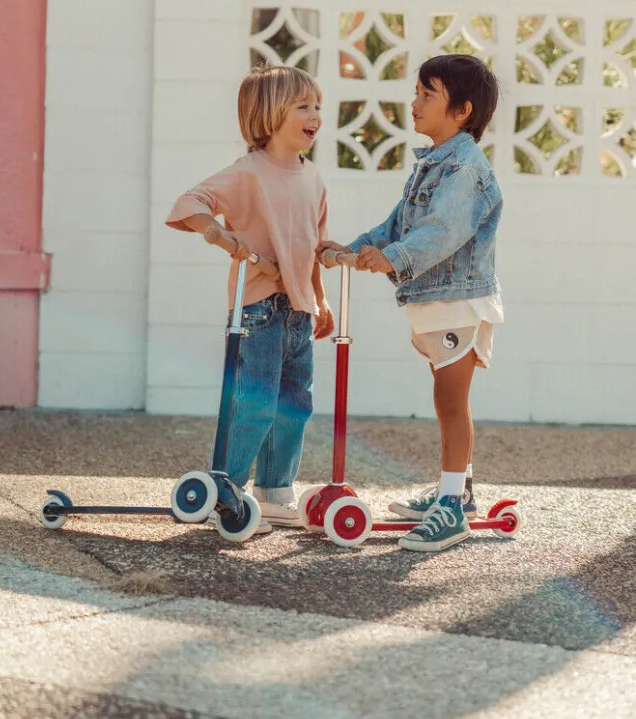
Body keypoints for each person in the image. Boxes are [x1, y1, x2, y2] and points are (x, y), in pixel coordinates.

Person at [318, 54, 502, 553]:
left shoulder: (464, 168)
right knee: (447, 399)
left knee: (450, 400)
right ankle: (456, 492)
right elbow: (399, 222)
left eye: (427, 94)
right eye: (417, 92)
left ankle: (451, 506)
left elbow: (440, 232)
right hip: (437, 301)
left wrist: (391, 258)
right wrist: (354, 251)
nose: (414, 102)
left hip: (458, 303)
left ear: (461, 110)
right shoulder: (434, 162)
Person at [166, 64, 334, 532]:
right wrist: (220, 234)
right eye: (303, 106)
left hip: (299, 311)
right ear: (270, 113)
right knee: (254, 403)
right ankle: (229, 487)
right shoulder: (248, 172)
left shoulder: (314, 178)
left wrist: (319, 299)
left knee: (294, 403)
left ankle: (277, 490)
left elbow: (314, 245)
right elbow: (190, 204)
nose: (315, 114)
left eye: (317, 106)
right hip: (259, 310)